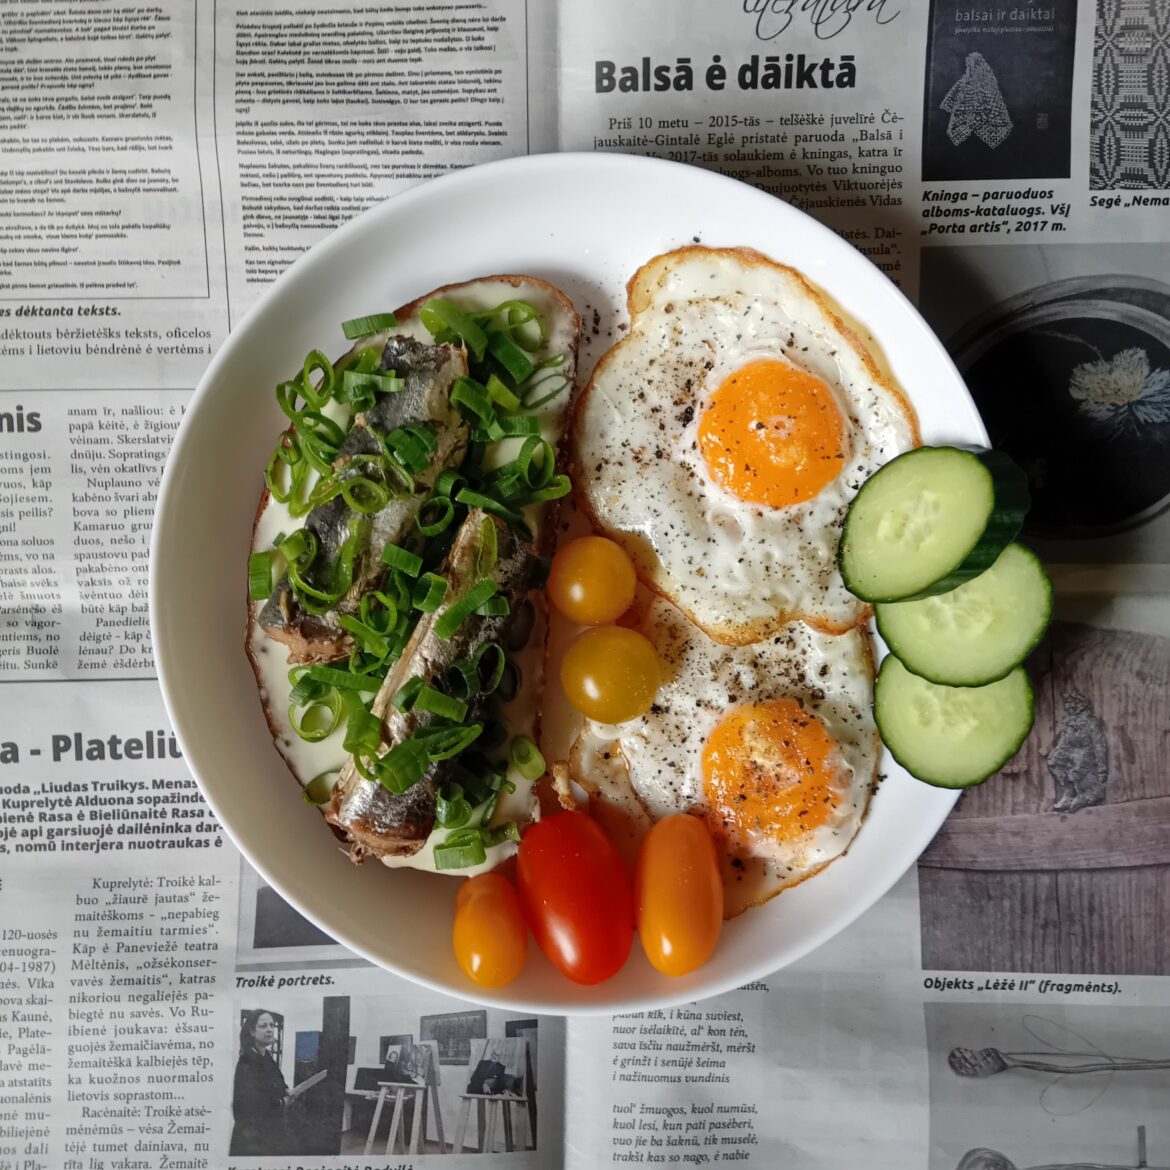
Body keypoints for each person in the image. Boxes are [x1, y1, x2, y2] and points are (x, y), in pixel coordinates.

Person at [230, 1009, 292, 1155]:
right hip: (252, 1138)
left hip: (269, 1131)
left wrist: (286, 1091)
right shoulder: (247, 1061)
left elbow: (278, 1082)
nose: (269, 1029)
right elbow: (252, 1103)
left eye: (272, 1025)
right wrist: (282, 1102)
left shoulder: (267, 1057)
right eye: (263, 1026)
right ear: (252, 1031)